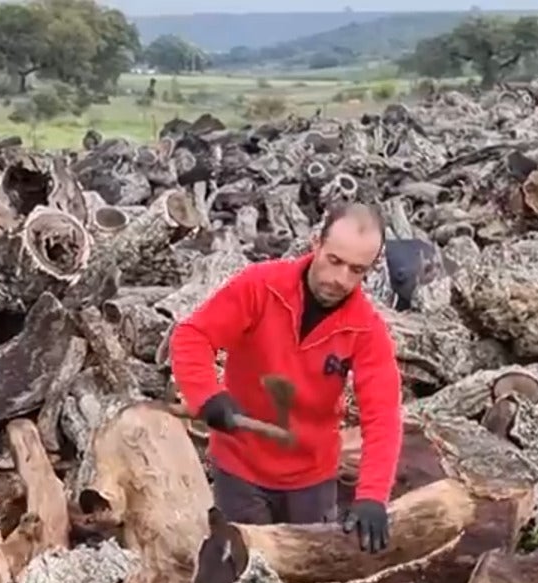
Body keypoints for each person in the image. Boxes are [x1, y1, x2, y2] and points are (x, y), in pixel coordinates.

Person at [169, 202, 404, 552]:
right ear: (316, 244)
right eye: (335, 261)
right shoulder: (261, 287)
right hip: (240, 468)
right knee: (243, 572)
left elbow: (383, 416)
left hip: (312, 477)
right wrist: (207, 395)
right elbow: (192, 336)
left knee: (308, 576)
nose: (340, 279)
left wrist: (372, 496)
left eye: (356, 270)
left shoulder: (366, 329)